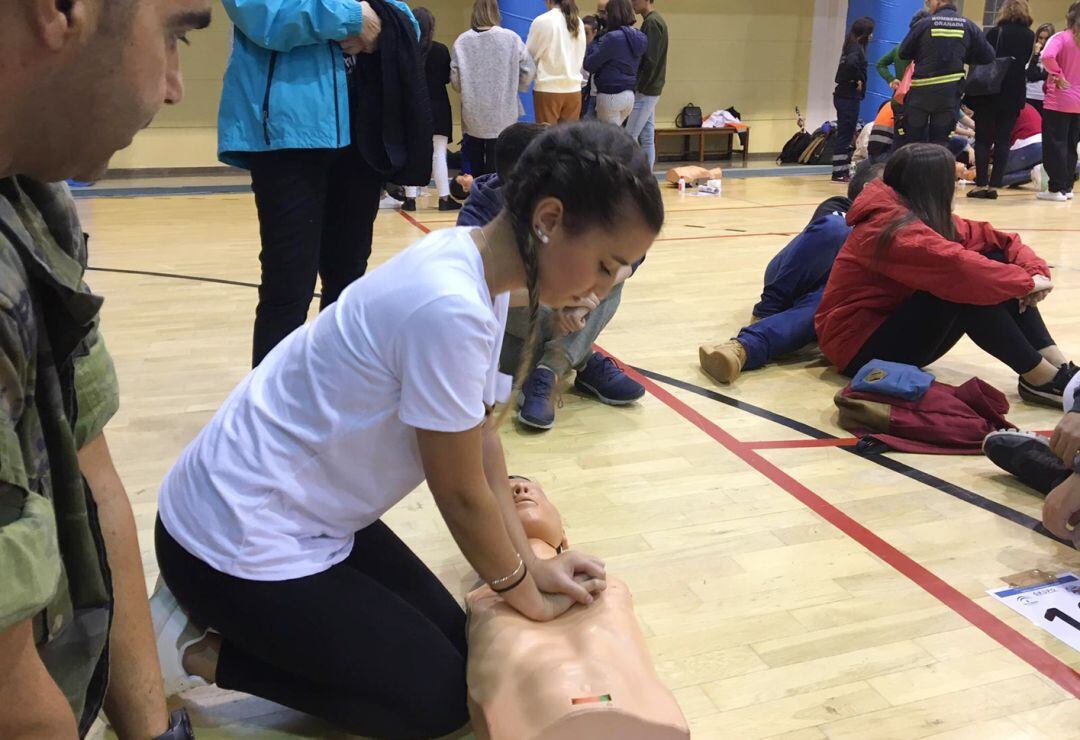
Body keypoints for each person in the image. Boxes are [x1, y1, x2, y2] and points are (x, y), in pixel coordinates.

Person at [150, 122, 663, 738]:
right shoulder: (450, 306)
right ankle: (202, 652)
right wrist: (524, 591)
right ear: (548, 218)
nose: (604, 288)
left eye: (620, 273)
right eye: (606, 265)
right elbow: (461, 494)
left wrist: (528, 565)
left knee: (461, 656)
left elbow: (483, 441)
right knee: (441, 701)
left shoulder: (482, 268)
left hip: (302, 515)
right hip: (228, 540)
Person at [0, 2, 212, 739]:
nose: (175, 87)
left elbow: (95, 482)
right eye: (177, 35)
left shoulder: (31, 193)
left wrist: (152, 734)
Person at [217, 0, 416, 366]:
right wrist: (354, 18)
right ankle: (270, 414)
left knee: (348, 279)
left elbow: (404, 19)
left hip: (364, 126)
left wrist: (385, 26)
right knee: (289, 284)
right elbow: (263, 15)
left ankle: (331, 396)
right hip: (291, 129)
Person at [814, 144, 1076, 407]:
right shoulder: (890, 229)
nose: (956, 184)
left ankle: (1058, 366)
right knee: (961, 289)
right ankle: (1039, 378)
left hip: (887, 328)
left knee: (992, 261)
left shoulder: (912, 212)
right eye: (952, 178)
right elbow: (959, 269)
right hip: (858, 350)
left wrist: (1034, 272)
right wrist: (1025, 284)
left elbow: (999, 242)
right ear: (934, 185)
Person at [467, 476, 689, 740]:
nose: (519, 488)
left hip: (647, 723)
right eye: (503, 494)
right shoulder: (481, 598)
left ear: (563, 534)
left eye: (533, 489)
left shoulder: (604, 581)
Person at [458, 123, 646, 430]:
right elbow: (479, 291)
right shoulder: (480, 214)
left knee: (612, 276)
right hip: (505, 330)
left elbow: (632, 258)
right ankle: (577, 359)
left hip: (555, 316)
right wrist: (558, 296)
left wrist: (583, 299)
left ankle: (547, 371)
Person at [698, 163, 885, 385]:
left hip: (827, 300)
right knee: (836, 228)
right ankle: (766, 314)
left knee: (833, 295)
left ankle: (741, 350)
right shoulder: (839, 207)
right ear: (867, 189)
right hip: (793, 278)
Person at [452, 0, 536, 177]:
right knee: (498, 168)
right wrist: (515, 86)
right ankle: (495, 201)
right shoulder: (511, 38)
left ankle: (474, 201)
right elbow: (528, 71)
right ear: (496, 12)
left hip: (473, 114)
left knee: (472, 169)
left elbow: (455, 80)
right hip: (503, 114)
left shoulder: (462, 41)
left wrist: (468, 90)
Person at [964, 0, 1035, 200]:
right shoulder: (1030, 35)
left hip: (990, 90)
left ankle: (981, 184)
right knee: (1004, 139)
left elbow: (982, 57)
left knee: (983, 139)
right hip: (1014, 92)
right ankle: (996, 183)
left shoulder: (993, 32)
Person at [898, 0, 994, 146]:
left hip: (921, 94)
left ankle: (914, 168)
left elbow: (903, 53)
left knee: (913, 142)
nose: (929, 5)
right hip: (949, 95)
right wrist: (964, 56)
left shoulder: (924, 24)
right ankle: (939, 168)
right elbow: (988, 56)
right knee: (941, 143)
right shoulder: (968, 25)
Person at [404, 8, 459, 213]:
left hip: (414, 105)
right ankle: (444, 198)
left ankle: (410, 199)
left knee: (412, 151)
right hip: (438, 106)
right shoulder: (441, 50)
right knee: (439, 154)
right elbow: (446, 78)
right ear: (432, 28)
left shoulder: (407, 50)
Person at [1036, 1, 1080, 202]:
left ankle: (1055, 189)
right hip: (1078, 103)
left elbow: (1047, 55)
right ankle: (1067, 186)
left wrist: (1058, 73)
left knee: (1055, 144)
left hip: (1060, 100)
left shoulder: (1062, 37)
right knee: (1071, 145)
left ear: (1068, 18)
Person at [583, 0, 647, 126]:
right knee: (615, 136)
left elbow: (590, 64)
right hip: (629, 95)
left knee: (608, 141)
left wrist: (594, 41)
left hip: (610, 94)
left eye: (606, 13)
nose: (604, 16)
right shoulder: (639, 37)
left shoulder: (612, 38)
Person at [527, 0, 588, 124]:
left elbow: (530, 57)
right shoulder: (579, 22)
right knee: (568, 140)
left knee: (547, 139)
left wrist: (525, 81)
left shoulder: (542, 21)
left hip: (548, 90)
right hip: (574, 91)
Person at [625, 0, 669, 169]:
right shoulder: (653, 21)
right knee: (647, 136)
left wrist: (639, 86)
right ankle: (647, 176)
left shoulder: (652, 23)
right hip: (652, 87)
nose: (632, 3)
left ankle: (634, 176)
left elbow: (650, 60)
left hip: (647, 89)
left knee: (629, 136)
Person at [832, 17, 875, 183]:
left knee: (846, 132)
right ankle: (839, 172)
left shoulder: (849, 45)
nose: (871, 36)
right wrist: (857, 79)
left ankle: (841, 169)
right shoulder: (855, 49)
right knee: (845, 133)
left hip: (843, 95)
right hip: (848, 96)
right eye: (870, 33)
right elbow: (851, 65)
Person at [875, 10, 929, 93]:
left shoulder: (899, 48)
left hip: (899, 96)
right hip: (918, 98)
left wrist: (891, 79)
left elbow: (880, 64)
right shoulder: (928, 51)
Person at [1026, 22, 1057, 112]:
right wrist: (1035, 55)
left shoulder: (1054, 55)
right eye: (1040, 38)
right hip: (1030, 95)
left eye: (1046, 39)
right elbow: (1030, 75)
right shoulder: (1032, 54)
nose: (1043, 42)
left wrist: (1038, 75)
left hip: (1045, 97)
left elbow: (1048, 75)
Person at [581, 15, 600, 119]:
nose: (583, 36)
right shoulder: (579, 46)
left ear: (595, 32)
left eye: (586, 33)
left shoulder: (595, 49)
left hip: (591, 93)